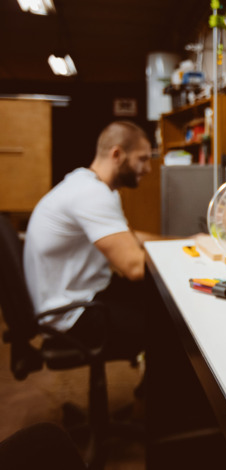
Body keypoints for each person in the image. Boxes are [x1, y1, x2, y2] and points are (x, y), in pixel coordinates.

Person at [23, 120, 162, 360]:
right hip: (71, 315)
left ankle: (150, 389)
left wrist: (183, 241)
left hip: (78, 298)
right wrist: (183, 261)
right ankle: (157, 395)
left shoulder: (88, 184)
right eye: (142, 159)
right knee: (172, 325)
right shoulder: (92, 194)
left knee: (158, 301)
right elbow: (134, 267)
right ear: (117, 154)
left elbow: (130, 237)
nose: (148, 168)